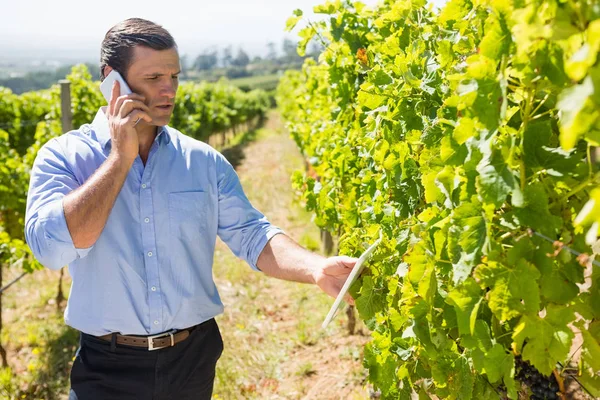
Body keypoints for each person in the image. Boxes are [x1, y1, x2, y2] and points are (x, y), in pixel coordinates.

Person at [24, 18, 358, 400]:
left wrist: (314, 267)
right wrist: (119, 160)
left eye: (174, 76)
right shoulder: (64, 158)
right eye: (153, 78)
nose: (169, 90)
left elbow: (252, 235)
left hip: (192, 360)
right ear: (111, 80)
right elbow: (51, 251)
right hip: (106, 368)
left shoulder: (202, 160)